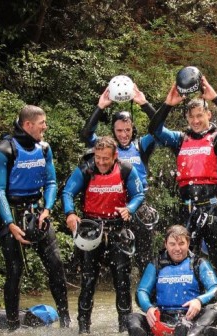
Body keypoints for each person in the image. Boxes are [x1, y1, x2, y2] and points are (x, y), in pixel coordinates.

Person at [149, 75, 217, 324]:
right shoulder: (180, 140)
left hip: (212, 211)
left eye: (199, 116)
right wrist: (168, 103)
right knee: (181, 264)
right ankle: (184, 314)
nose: (195, 120)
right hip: (187, 213)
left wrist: (214, 97)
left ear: (208, 116)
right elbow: (154, 130)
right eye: (191, 117)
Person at [0, 105, 70, 330]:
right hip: (12, 215)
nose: (45, 126)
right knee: (14, 271)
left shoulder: (44, 148)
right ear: (28, 125)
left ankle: (66, 320)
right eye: (42, 123)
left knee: (55, 266)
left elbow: (51, 182)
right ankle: (13, 327)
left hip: (38, 213)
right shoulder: (3, 150)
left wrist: (48, 209)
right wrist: (10, 224)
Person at [62, 136, 145, 333]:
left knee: (122, 282)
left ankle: (124, 328)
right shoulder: (86, 169)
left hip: (118, 232)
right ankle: (83, 328)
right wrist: (70, 213)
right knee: (88, 280)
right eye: (98, 157)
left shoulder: (125, 169)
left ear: (115, 156)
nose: (100, 162)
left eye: (105, 158)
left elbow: (139, 194)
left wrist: (130, 208)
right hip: (91, 231)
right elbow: (67, 192)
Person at [80, 83, 159, 273]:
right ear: (113, 131)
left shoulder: (142, 145)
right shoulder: (106, 148)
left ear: (133, 129)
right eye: (119, 131)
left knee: (145, 257)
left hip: (138, 207)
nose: (124, 135)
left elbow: (159, 129)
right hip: (113, 209)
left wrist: (145, 104)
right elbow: (86, 135)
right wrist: (100, 107)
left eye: (128, 130)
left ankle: (148, 297)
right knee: (116, 263)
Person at [128, 225, 217, 336]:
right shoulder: (156, 264)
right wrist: (148, 308)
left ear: (188, 243)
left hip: (192, 319)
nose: (177, 249)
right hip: (162, 318)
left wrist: (199, 301)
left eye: (181, 244)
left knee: (214, 309)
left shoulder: (199, 263)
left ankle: (192, 334)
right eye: (172, 244)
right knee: (132, 318)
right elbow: (142, 291)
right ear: (166, 244)